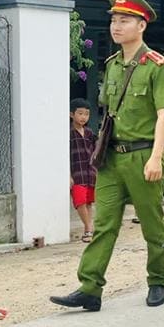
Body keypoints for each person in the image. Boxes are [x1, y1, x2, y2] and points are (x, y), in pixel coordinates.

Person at [50, 0, 164, 312]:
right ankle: (90, 287)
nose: (116, 26)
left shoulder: (157, 66)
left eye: (124, 20)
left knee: (152, 225)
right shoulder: (112, 65)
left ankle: (157, 281)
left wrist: (155, 156)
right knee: (104, 224)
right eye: (114, 20)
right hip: (110, 159)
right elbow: (108, 114)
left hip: (141, 156)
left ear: (142, 25)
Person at [69, 98, 97, 243]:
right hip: (76, 173)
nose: (83, 117)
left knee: (88, 202)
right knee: (79, 201)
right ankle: (88, 228)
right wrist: (68, 175)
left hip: (90, 172)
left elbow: (96, 150)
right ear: (71, 114)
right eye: (80, 113)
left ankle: (88, 229)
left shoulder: (89, 133)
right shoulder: (68, 133)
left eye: (86, 114)